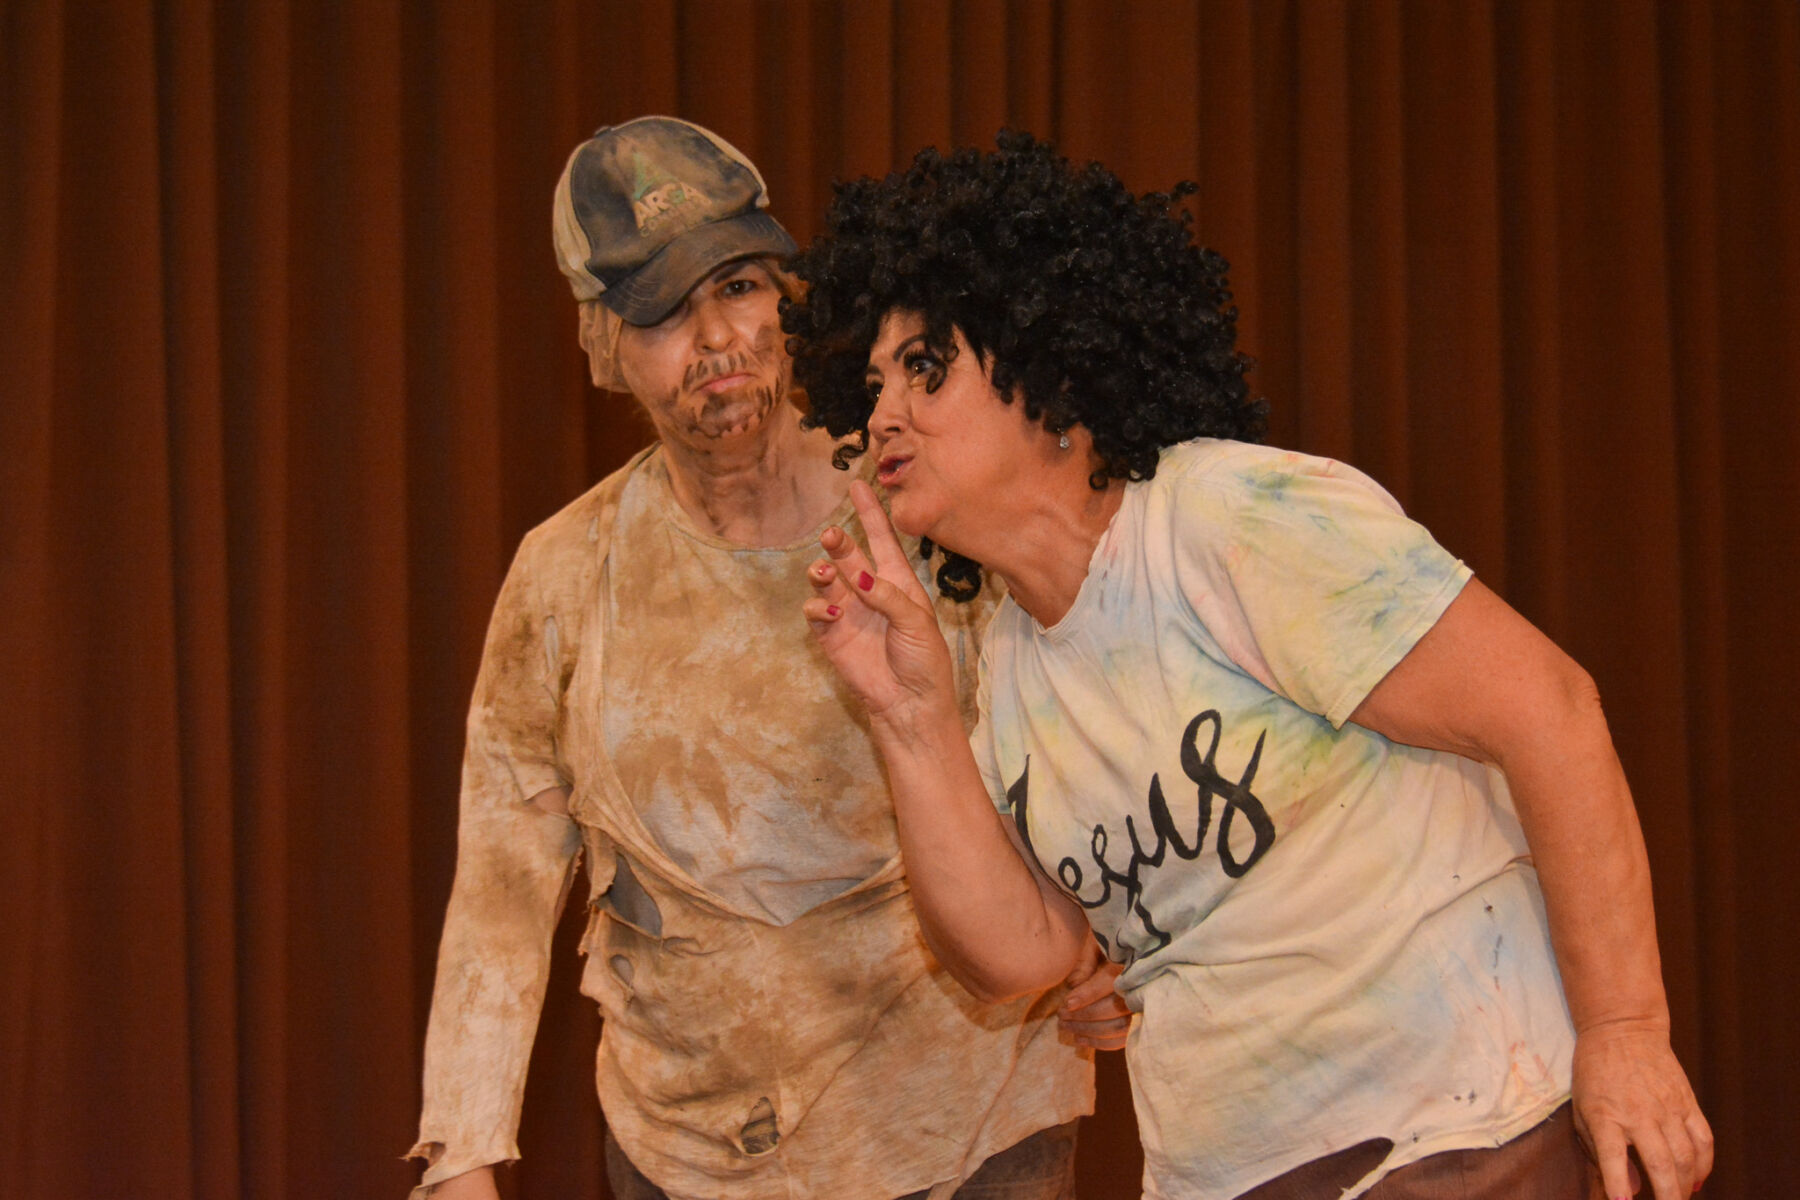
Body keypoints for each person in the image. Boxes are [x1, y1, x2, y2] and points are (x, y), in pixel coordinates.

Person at [782, 131, 1714, 1200]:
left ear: (1052, 372)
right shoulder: (1007, 661)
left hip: (1463, 1137)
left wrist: (1624, 1029)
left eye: (925, 368)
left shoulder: (1225, 520)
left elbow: (1548, 708)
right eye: (872, 386)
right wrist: (907, 715)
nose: (883, 415)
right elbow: (1024, 955)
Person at [406, 117, 1108, 1200]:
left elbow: (1080, 734)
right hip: (690, 1149)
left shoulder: (925, 502)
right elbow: (503, 882)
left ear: (788, 297)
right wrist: (463, 1151)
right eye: (662, 313)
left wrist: (1121, 942)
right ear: (603, 345)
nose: (718, 339)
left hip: (969, 1123)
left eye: (738, 286)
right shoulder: (565, 571)